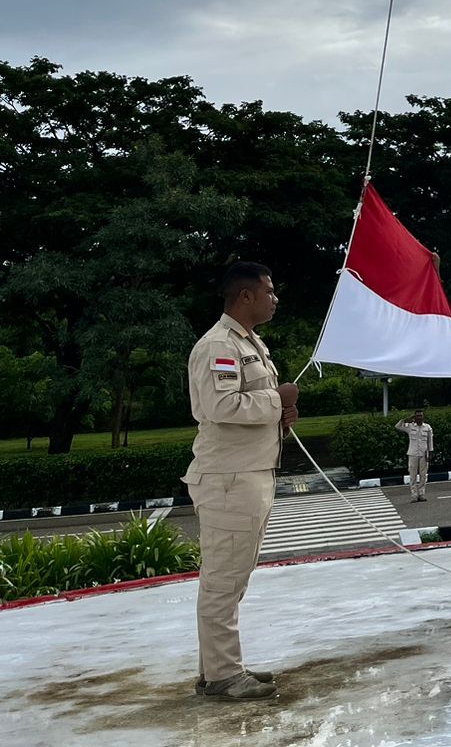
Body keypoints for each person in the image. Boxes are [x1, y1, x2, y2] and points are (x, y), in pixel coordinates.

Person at [184, 262, 298, 701]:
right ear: (245, 296)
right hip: (229, 479)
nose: (275, 298)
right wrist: (278, 399)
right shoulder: (218, 345)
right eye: (269, 290)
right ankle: (223, 676)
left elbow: (248, 409)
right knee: (223, 580)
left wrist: (281, 416)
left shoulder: (250, 344)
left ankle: (218, 668)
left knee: (231, 579)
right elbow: (222, 406)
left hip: (247, 472)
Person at [397, 409, 434, 501]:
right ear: (414, 417)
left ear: (423, 417)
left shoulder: (427, 427)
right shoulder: (410, 426)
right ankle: (414, 495)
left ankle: (421, 494)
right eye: (417, 416)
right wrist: (407, 419)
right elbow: (398, 426)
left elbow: (430, 441)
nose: (419, 417)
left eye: (421, 415)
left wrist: (430, 453)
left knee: (423, 475)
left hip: (424, 454)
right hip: (413, 454)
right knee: (412, 476)